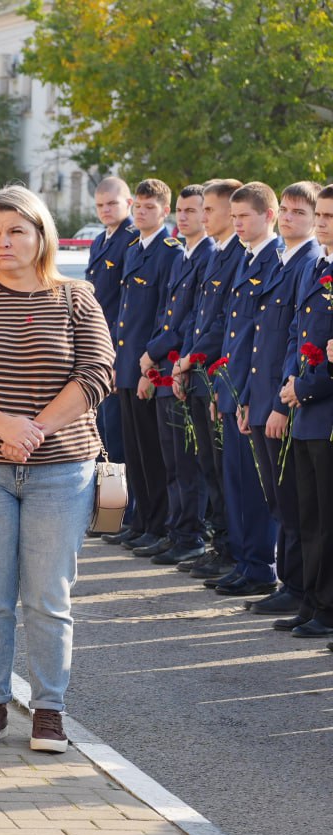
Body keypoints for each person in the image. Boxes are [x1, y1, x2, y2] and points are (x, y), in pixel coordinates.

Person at [0, 186, 113, 753]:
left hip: (61, 469)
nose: (4, 241)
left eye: (16, 230)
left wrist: (34, 429)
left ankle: (49, 710)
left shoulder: (77, 298)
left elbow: (97, 374)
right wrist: (4, 427)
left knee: (48, 596)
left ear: (41, 236)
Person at [207, 182, 284, 597]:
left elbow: (262, 337)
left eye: (244, 217)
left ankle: (260, 565)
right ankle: (245, 561)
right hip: (236, 389)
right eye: (233, 217)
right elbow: (232, 331)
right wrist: (228, 389)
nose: (236, 224)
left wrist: (250, 393)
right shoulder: (246, 256)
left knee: (257, 489)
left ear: (267, 215)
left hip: (255, 390)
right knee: (236, 480)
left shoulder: (273, 258)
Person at [248, 182, 320, 616]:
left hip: (289, 399)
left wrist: (278, 402)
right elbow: (265, 338)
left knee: (293, 500)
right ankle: (291, 582)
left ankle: (295, 584)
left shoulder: (309, 263)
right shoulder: (283, 261)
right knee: (279, 496)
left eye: (299, 212)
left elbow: (296, 342)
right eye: (287, 210)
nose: (289, 217)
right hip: (265, 396)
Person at [172, 179, 244, 579]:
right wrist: (185, 361)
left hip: (216, 374)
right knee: (208, 466)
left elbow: (222, 323)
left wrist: (190, 361)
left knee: (220, 469)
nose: (207, 216)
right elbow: (199, 316)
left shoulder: (233, 255)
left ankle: (231, 550)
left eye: (211, 210)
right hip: (198, 371)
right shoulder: (220, 254)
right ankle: (221, 547)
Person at [141, 184, 214, 566]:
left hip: (185, 367)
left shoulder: (207, 256)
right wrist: (153, 361)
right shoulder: (183, 256)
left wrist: (154, 353)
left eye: (191, 211)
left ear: (206, 214)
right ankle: (177, 530)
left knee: (188, 462)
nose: (182, 217)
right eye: (180, 211)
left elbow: (188, 321)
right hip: (168, 368)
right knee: (172, 460)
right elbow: (165, 313)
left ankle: (191, 534)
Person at [113, 179, 180, 557]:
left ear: (164, 211)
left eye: (149, 207)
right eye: (137, 206)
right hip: (125, 365)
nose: (141, 212)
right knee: (134, 452)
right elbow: (125, 315)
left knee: (154, 453)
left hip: (147, 368)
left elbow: (161, 316)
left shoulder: (170, 252)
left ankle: (158, 524)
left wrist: (149, 369)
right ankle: (140, 521)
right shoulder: (133, 248)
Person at [278, 183, 333, 638]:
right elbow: (298, 333)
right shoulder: (320, 268)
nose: (322, 223)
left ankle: (327, 607)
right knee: (309, 515)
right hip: (306, 410)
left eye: (329, 217)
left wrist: (307, 388)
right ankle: (312, 601)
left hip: (323, 408)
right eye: (323, 214)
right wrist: (290, 384)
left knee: (327, 520)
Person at [87, 177, 134, 516]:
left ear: (128, 204)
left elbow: (126, 308)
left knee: (119, 442)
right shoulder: (101, 241)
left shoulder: (132, 241)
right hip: (99, 352)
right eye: (101, 205)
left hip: (118, 355)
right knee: (102, 435)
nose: (106, 210)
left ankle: (124, 513)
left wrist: (114, 359)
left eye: (112, 204)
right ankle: (109, 512)